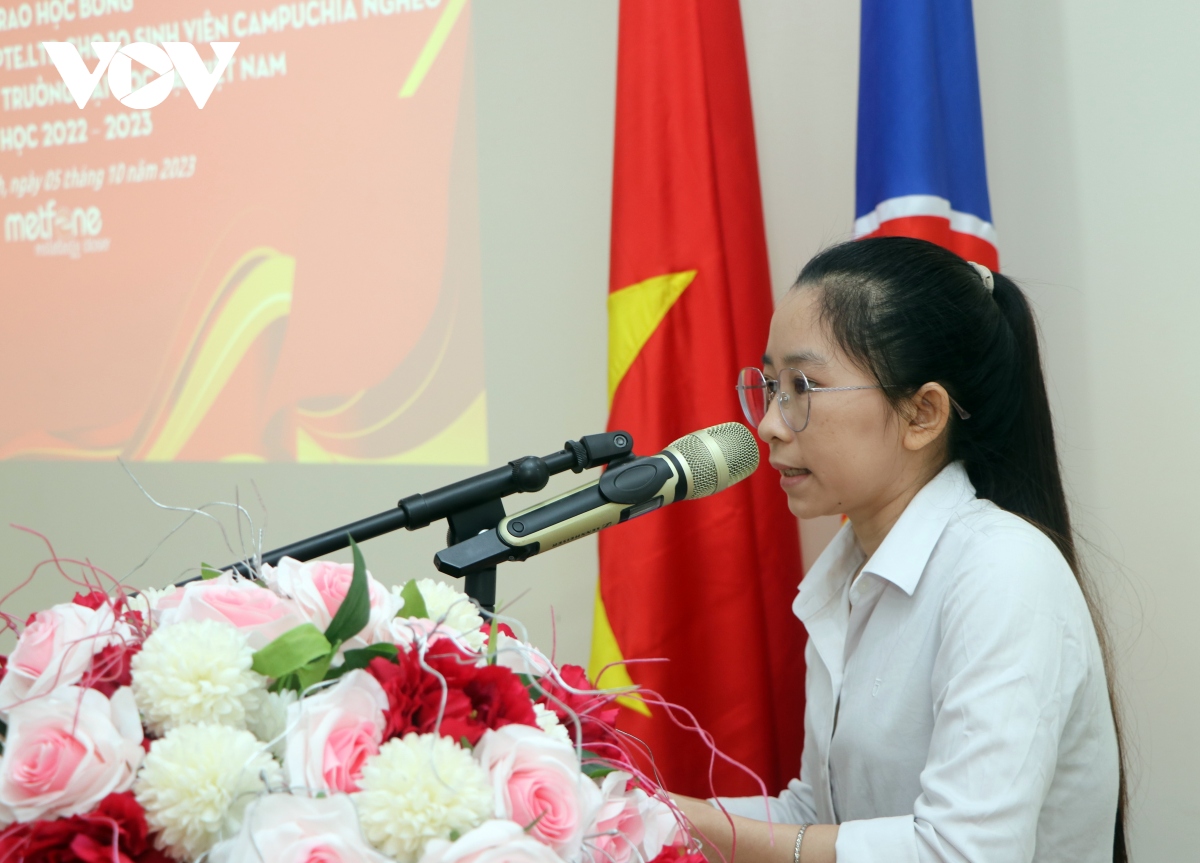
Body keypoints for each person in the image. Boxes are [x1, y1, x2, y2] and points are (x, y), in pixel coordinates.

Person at [674, 237, 1124, 863]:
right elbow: (821, 816)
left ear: (922, 415)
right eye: (771, 385)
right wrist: (640, 814)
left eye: (802, 386)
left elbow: (961, 853)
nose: (770, 424)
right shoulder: (847, 572)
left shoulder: (1002, 570)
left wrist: (692, 823)